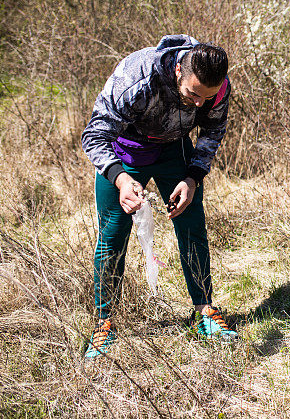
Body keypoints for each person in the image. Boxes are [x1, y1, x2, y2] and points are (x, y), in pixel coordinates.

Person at [81, 34, 237, 359]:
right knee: (112, 235)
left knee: (192, 225)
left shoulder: (216, 88)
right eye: (194, 93)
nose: (199, 103)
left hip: (175, 151)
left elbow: (212, 132)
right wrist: (121, 180)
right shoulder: (137, 77)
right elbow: (94, 134)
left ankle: (204, 313)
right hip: (125, 152)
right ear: (178, 70)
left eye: (205, 98)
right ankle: (104, 324)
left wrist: (193, 178)